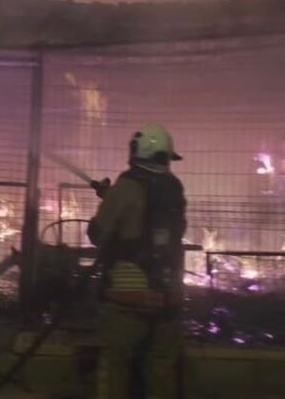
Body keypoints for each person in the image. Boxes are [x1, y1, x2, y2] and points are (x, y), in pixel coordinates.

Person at [88, 123, 188, 398]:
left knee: (116, 370)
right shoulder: (175, 189)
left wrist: (109, 201)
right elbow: (167, 226)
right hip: (168, 299)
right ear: (161, 157)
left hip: (127, 301)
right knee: (161, 373)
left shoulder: (125, 187)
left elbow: (98, 234)